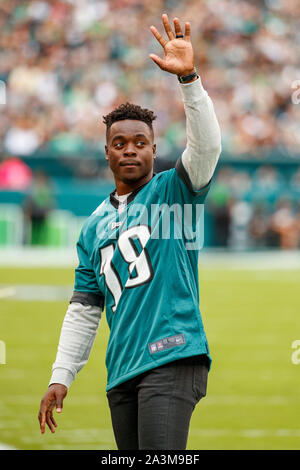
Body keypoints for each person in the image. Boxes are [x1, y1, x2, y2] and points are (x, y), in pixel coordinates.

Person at [38, 13, 221, 450]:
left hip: (174, 354)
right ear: (106, 153)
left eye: (140, 142)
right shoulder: (93, 226)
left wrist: (190, 80)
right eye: (120, 143)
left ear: (155, 149)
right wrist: (61, 376)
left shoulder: (174, 189)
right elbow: (84, 309)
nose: (131, 150)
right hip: (121, 369)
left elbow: (208, 145)